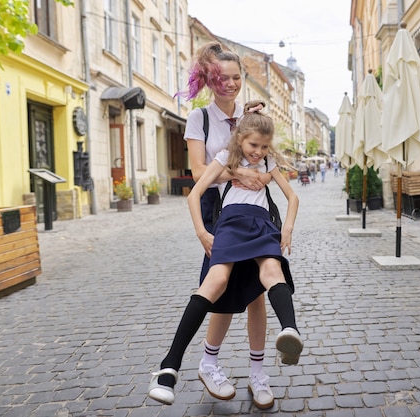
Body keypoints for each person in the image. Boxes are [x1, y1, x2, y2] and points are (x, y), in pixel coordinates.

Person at [148, 100, 303, 407]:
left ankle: (290, 333)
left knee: (272, 272)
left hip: (261, 226)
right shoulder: (225, 158)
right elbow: (195, 194)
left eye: (263, 147)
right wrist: (202, 232)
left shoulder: (268, 162)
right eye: (253, 145)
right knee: (216, 281)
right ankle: (169, 366)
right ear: (240, 139)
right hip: (231, 225)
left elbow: (292, 196)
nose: (257, 152)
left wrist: (287, 229)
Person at [154, 42, 274, 408]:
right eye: (223, 78)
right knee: (218, 285)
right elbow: (196, 171)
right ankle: (208, 363)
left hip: (255, 211)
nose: (231, 84)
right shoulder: (199, 118)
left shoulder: (249, 115)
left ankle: (257, 374)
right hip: (219, 213)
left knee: (256, 293)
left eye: (237, 77)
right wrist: (237, 172)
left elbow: (265, 152)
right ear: (210, 80)